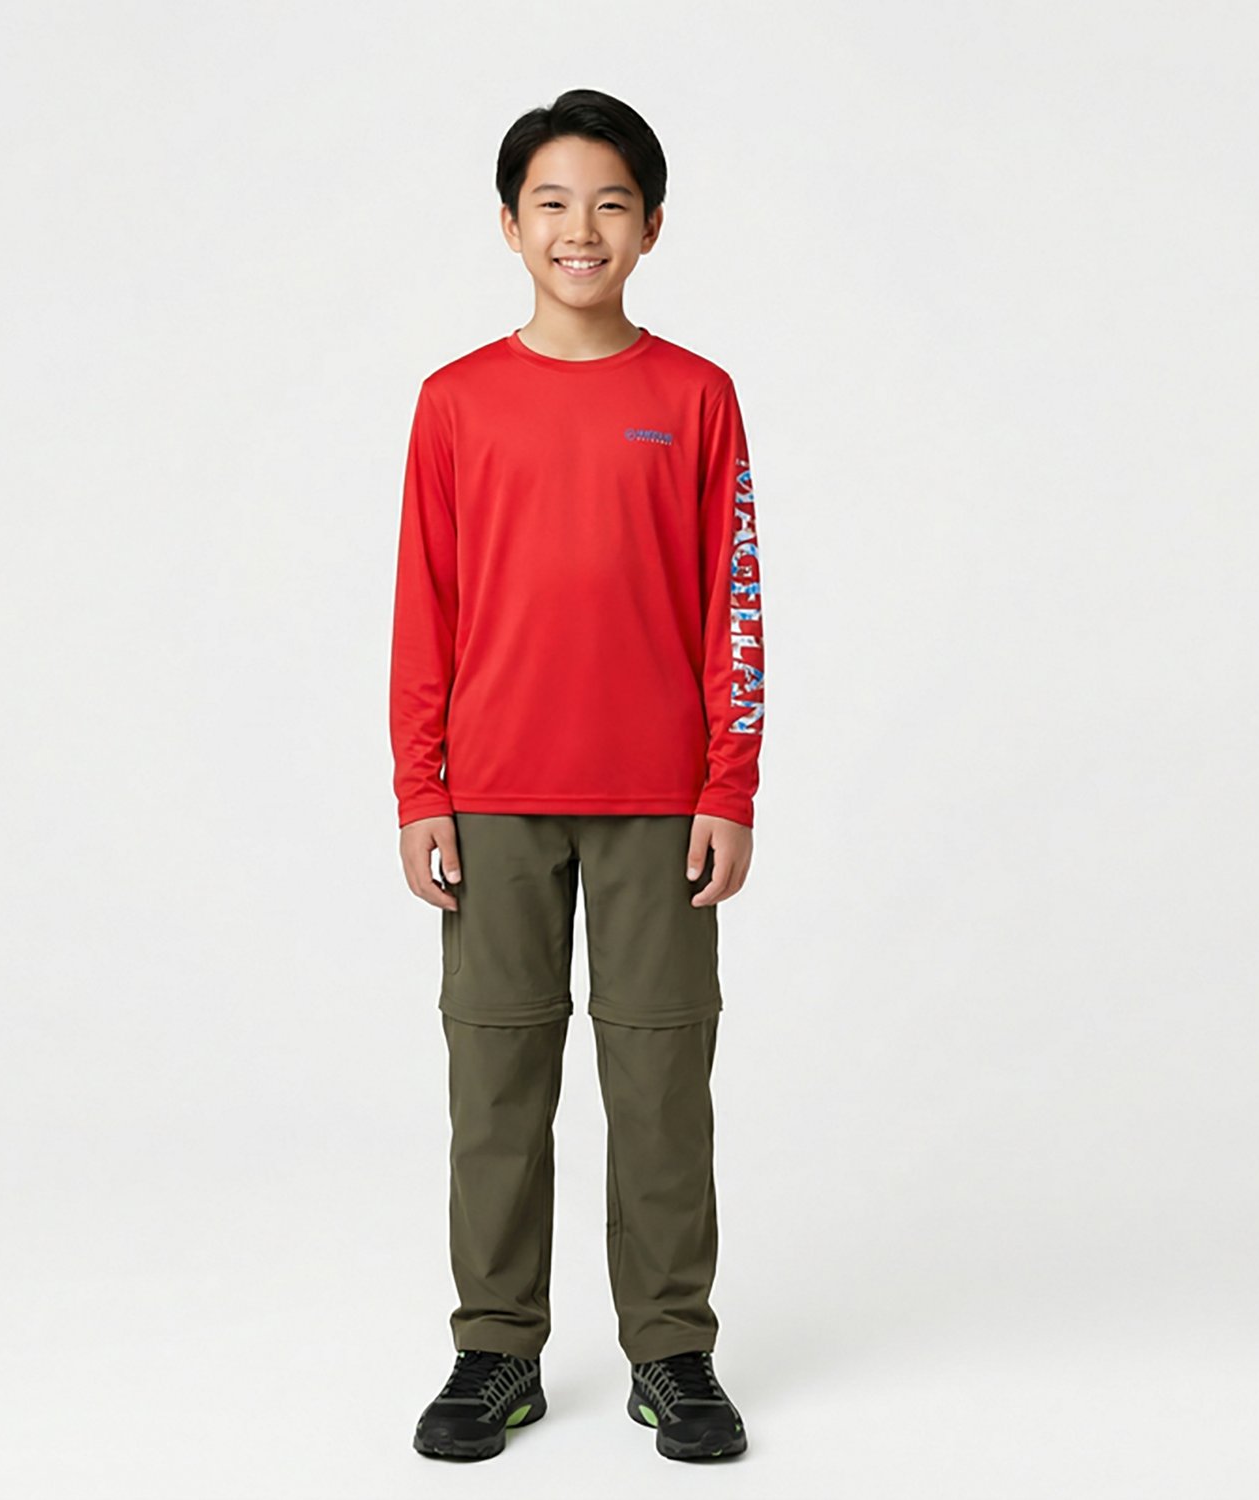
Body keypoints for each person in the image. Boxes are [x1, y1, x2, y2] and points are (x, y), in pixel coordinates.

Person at [388, 87, 765, 1464]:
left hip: (661, 798)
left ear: (651, 226)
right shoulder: (456, 403)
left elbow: (734, 603)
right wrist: (419, 788)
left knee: (660, 1077)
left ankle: (672, 1349)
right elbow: (424, 603)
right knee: (497, 1076)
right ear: (510, 225)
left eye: (610, 203)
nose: (580, 229)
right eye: (551, 202)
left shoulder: (696, 397)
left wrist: (729, 784)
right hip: (492, 792)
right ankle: (496, 1348)